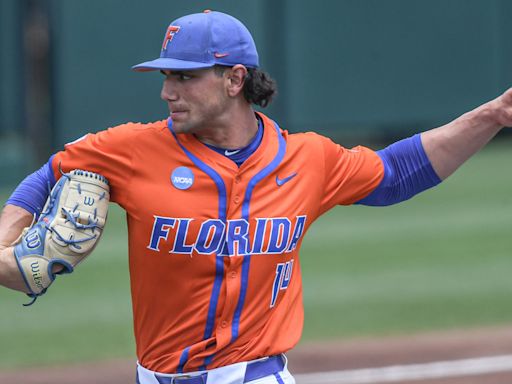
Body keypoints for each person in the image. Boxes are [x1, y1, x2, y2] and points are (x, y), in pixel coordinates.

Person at [0, 9, 510, 384]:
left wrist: (492, 116)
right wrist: (7, 242)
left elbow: (398, 172)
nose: (167, 91)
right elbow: (50, 173)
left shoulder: (307, 159)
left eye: (184, 76)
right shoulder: (130, 149)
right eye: (166, 76)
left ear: (234, 80)